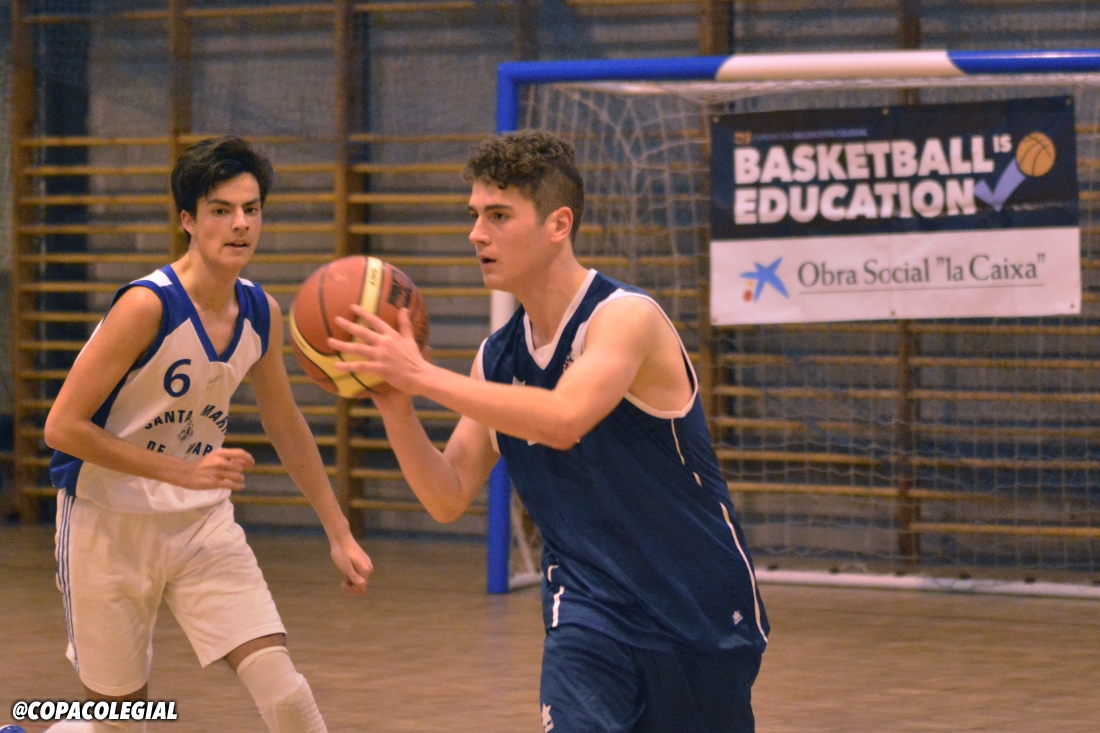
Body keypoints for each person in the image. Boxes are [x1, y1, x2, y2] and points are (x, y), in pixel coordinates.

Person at [329, 130, 769, 732]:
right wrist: (396, 404)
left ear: (559, 224)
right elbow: (447, 493)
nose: (476, 233)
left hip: (694, 601)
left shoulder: (625, 319)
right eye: (474, 215)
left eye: (498, 215)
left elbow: (564, 419)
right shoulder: (497, 357)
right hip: (587, 608)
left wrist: (422, 375)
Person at [43, 136, 373, 733]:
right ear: (188, 221)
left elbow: (285, 423)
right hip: (106, 521)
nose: (240, 223)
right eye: (221, 210)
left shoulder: (260, 311)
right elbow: (62, 427)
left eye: (251, 209)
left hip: (200, 523)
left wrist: (338, 529)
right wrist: (181, 470)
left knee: (285, 695)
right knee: (118, 722)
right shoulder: (147, 306)